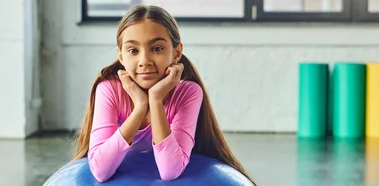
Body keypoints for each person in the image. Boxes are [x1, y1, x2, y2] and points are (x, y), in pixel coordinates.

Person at [69, 4, 256, 184]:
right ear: (121, 57)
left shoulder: (188, 93)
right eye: (133, 50)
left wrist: (155, 100)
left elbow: (169, 171)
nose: (144, 60)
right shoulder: (109, 90)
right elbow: (100, 172)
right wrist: (140, 108)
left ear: (176, 53)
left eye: (157, 48)